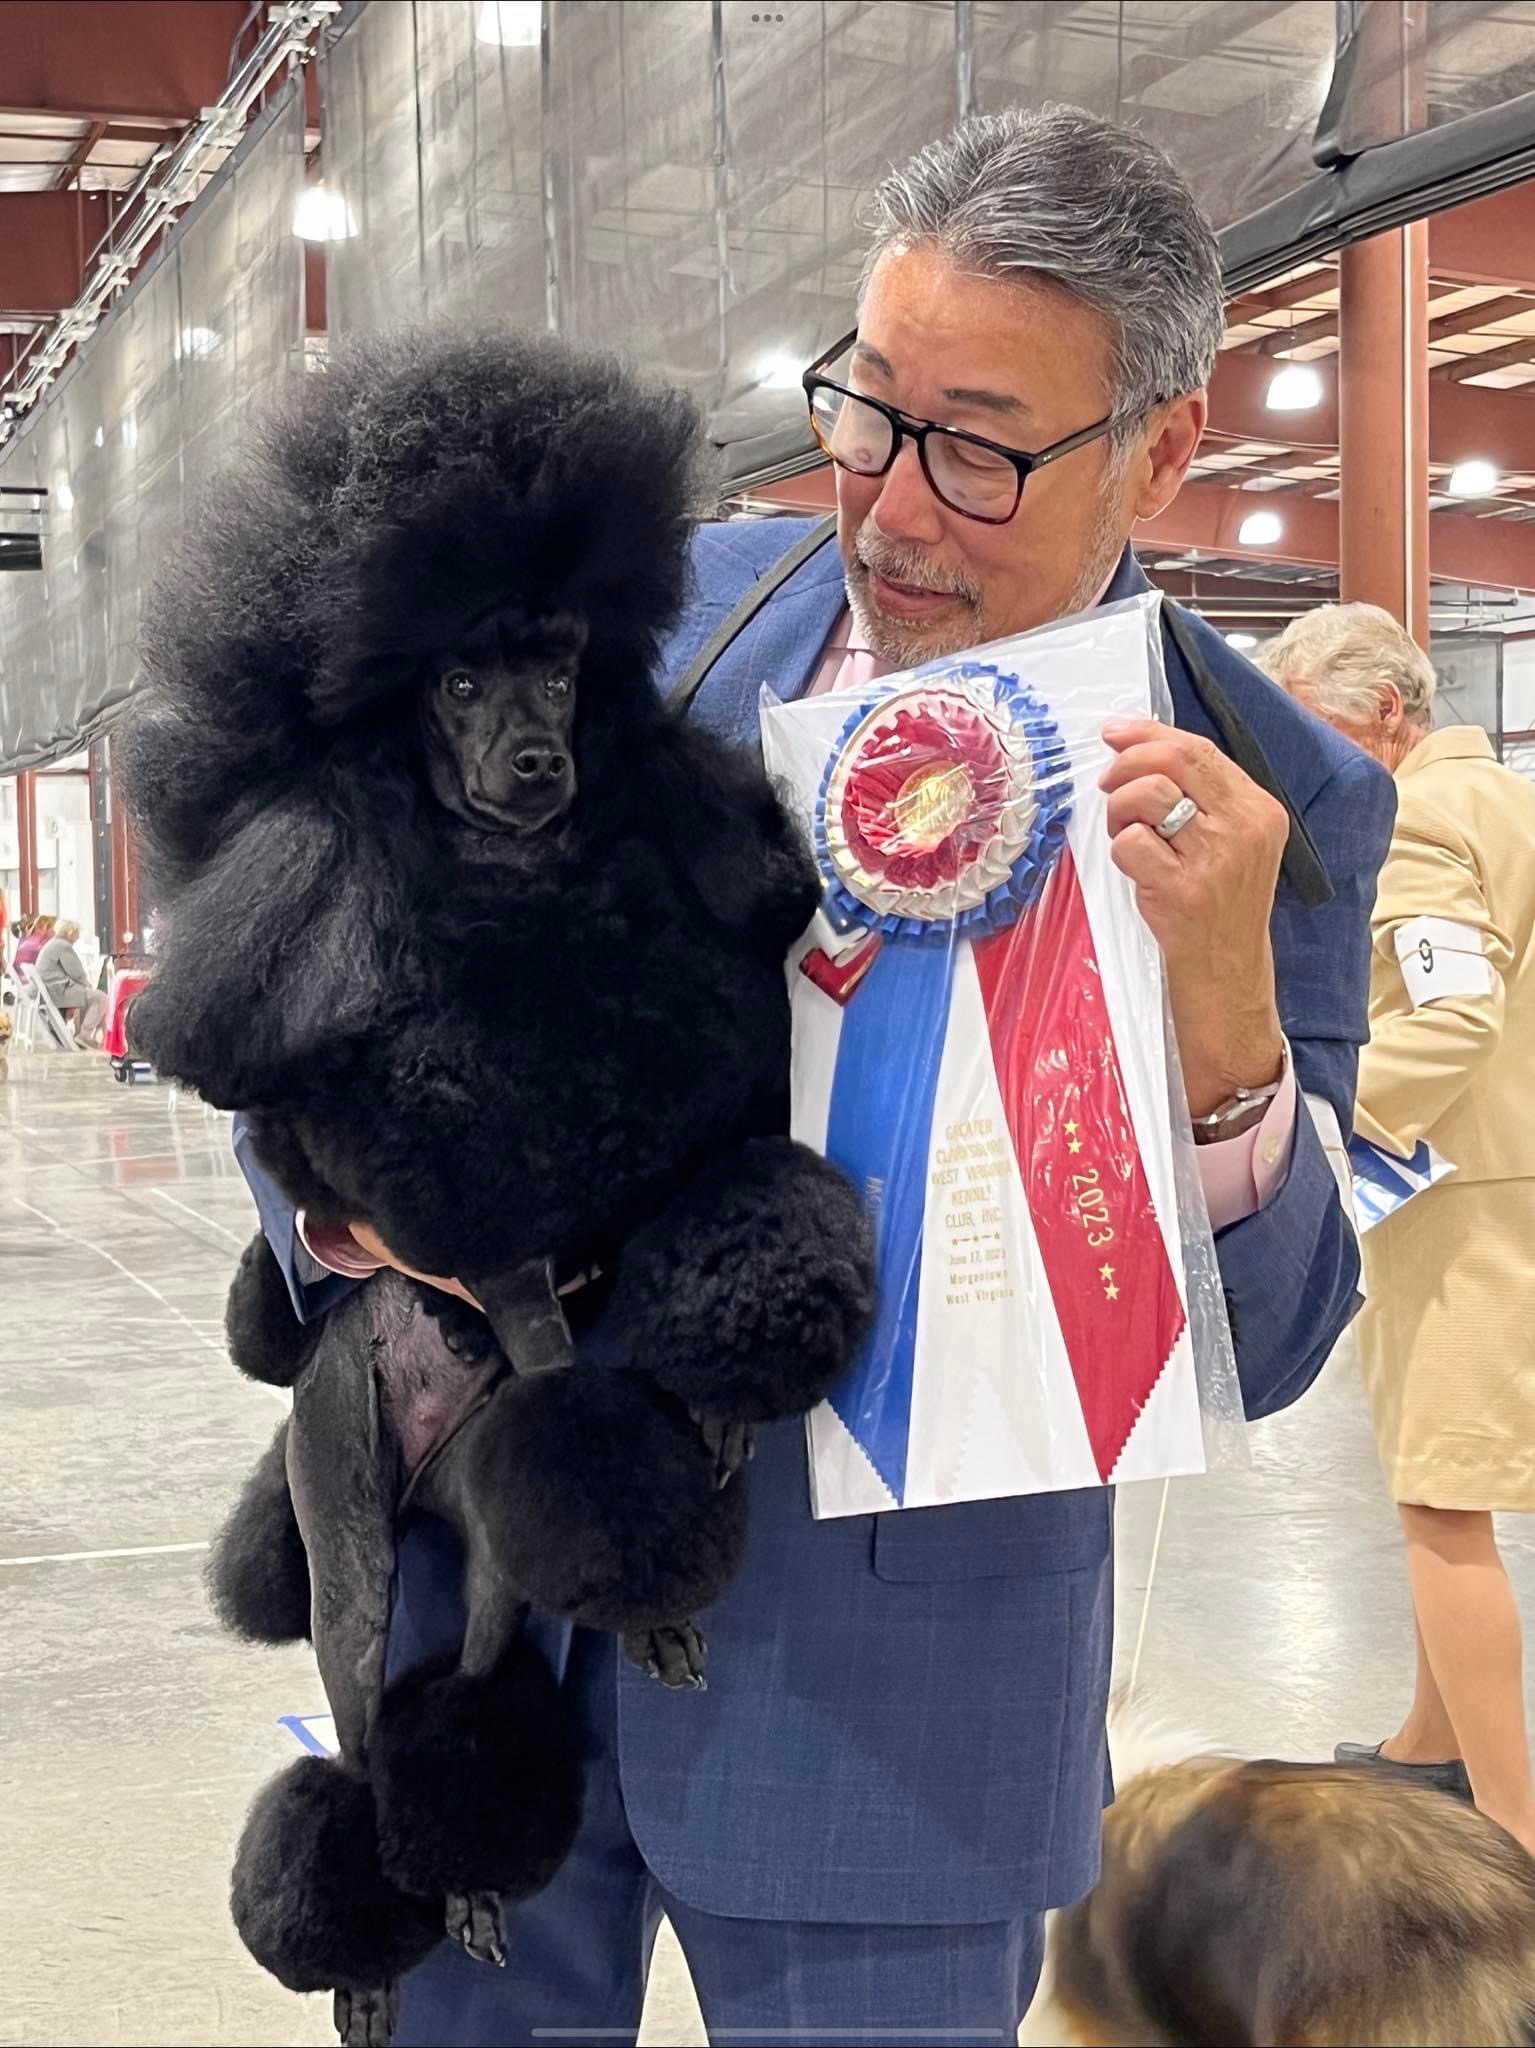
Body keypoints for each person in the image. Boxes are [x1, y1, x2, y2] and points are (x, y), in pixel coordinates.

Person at [237, 106, 1394, 2047]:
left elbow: (1264, 1350)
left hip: (895, 1728)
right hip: (480, 1653)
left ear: (1160, 448)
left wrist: (1223, 1037)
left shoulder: (1269, 790)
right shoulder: (654, 615)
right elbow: (312, 923)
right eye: (867, 407)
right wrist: (350, 1203)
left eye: (978, 445)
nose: (893, 504)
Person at [1262, 601, 1535, 1856]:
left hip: (1461, 1205)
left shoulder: (1415, 816)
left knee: (1439, 1506)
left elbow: (1453, 1015)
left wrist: (1329, 1119)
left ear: (1384, 713)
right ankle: (1430, 1741)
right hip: (1499, 1178)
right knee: (1437, 1484)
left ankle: (1509, 1827)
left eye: (1309, 729)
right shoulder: (1504, 798)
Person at [34, 918, 106, 1043]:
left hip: (50, 989)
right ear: (69, 932)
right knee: (100, 997)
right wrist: (88, 986)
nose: (78, 937)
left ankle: (80, 1033)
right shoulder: (63, 946)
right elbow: (77, 973)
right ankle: (84, 1035)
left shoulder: (54, 943)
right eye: (77, 933)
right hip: (57, 991)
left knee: (87, 994)